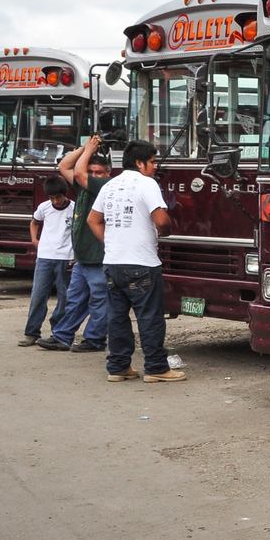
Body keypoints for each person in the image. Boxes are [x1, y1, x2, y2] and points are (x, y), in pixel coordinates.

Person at [87, 140, 184, 383]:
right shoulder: (147, 183)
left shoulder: (110, 185)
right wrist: (165, 231)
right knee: (150, 317)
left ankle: (118, 367)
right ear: (140, 163)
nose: (155, 166)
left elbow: (93, 220)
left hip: (113, 263)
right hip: (142, 263)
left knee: (117, 317)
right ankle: (156, 368)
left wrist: (111, 242)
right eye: (152, 161)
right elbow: (161, 220)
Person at [35, 135, 111, 352]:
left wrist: (88, 152)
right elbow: (64, 166)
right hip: (82, 257)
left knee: (99, 300)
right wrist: (85, 148)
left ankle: (95, 339)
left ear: (107, 174)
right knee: (75, 299)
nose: (94, 175)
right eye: (91, 171)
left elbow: (77, 172)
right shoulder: (84, 188)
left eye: (99, 172)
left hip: (98, 256)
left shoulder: (104, 186)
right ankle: (62, 336)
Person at [19, 176, 74, 346]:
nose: (55, 201)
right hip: (45, 257)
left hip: (66, 257)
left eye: (58, 197)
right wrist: (34, 239)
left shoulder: (74, 208)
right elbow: (34, 222)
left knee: (64, 297)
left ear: (64, 194)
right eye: (52, 198)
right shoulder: (44, 207)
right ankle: (31, 332)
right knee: (38, 295)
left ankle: (58, 331)